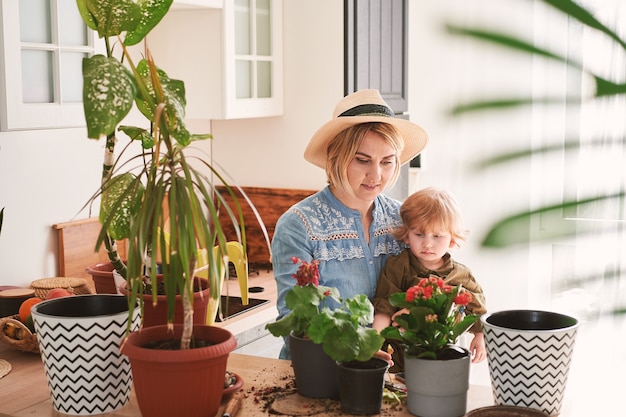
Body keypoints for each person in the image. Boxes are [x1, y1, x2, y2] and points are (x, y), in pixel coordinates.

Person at [271, 89, 429, 360]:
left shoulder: (403, 220)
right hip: (316, 378)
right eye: (362, 160)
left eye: (387, 162)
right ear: (335, 157)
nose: (376, 175)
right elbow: (294, 324)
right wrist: (357, 353)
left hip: (390, 378)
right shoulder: (299, 225)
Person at [372, 187, 487, 370]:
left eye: (437, 236)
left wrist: (480, 336)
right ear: (407, 235)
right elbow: (384, 307)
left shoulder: (461, 275)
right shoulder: (398, 265)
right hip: (398, 355)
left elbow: (478, 309)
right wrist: (373, 341)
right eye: (418, 234)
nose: (427, 243)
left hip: (441, 357)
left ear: (451, 239)